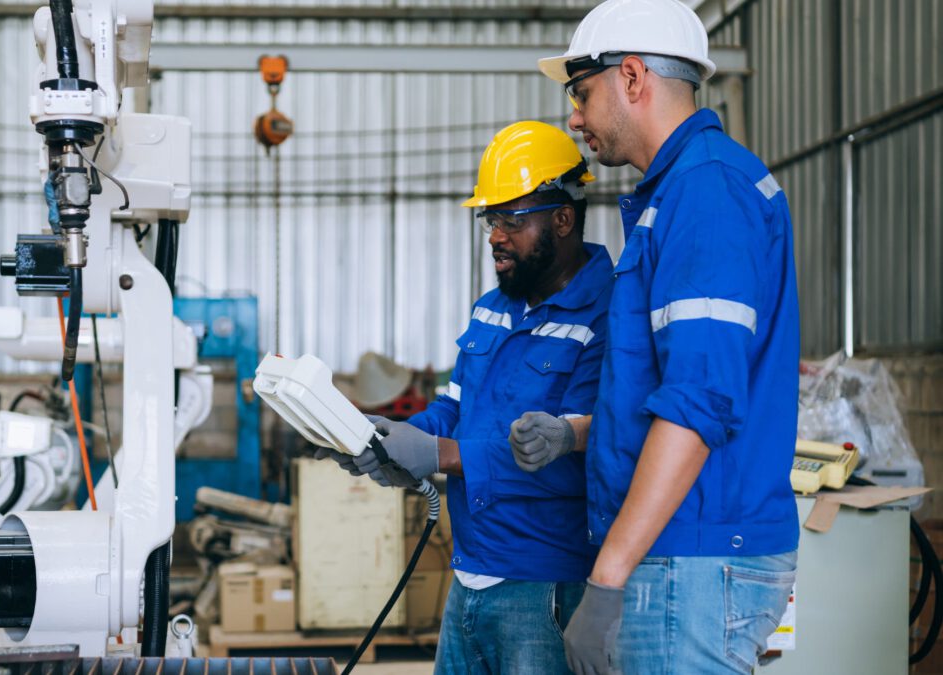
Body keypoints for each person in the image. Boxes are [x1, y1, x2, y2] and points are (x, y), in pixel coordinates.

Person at [510, 1, 801, 673]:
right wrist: (576, 431)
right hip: (681, 554)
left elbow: (699, 403)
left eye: (582, 94)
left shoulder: (705, 193)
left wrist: (608, 577)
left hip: (693, 557)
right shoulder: (680, 194)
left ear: (634, 78)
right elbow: (659, 387)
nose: (575, 117)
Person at [323, 121, 613, 674]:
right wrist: (382, 439)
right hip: (469, 575)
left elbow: (580, 450)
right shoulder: (492, 308)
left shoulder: (605, 318)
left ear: (563, 218)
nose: (495, 236)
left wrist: (440, 456)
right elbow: (454, 410)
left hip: (543, 587)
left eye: (511, 219)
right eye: (490, 219)